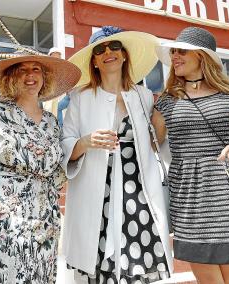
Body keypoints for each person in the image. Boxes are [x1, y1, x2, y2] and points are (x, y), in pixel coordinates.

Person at [62, 26, 173, 283]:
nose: (108, 53)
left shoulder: (144, 96)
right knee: (101, 264)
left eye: (114, 47)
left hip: (139, 190)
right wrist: (86, 142)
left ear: (124, 55)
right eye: (100, 50)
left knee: (137, 263)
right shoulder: (81, 97)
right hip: (97, 193)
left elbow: (158, 143)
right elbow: (65, 142)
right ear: (95, 61)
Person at [152, 26, 229, 284]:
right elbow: (150, 143)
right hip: (189, 191)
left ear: (202, 57)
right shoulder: (166, 101)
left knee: (227, 275)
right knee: (209, 275)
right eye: (173, 51)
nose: (175, 56)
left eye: (182, 51)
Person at [0, 54, 81, 283]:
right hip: (4, 216)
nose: (30, 75)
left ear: (44, 77)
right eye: (22, 70)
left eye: (36, 70)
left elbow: (57, 169)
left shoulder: (52, 122)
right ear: (12, 77)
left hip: (44, 218)